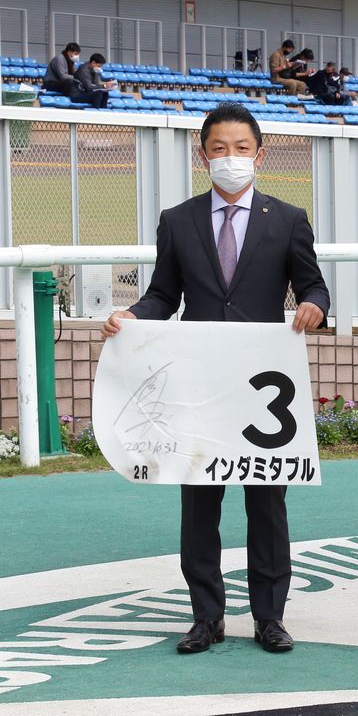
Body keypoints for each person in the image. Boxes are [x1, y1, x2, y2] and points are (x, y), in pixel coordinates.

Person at [101, 102, 330, 656]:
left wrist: (314, 307)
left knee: (267, 505)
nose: (231, 157)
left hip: (261, 389)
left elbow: (314, 286)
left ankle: (270, 618)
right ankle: (206, 616)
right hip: (199, 384)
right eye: (220, 148)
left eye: (241, 148)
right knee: (199, 503)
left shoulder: (289, 219)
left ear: (260, 155)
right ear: (203, 155)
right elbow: (163, 295)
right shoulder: (177, 220)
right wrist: (133, 316)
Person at [43, 42, 106, 109]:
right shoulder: (59, 59)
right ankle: (71, 98)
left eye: (78, 54)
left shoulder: (71, 62)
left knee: (102, 93)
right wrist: (77, 78)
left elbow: (75, 73)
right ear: (69, 52)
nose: (77, 56)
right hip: (51, 84)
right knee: (70, 82)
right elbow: (63, 76)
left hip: (61, 83)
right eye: (75, 54)